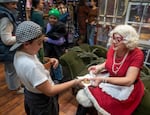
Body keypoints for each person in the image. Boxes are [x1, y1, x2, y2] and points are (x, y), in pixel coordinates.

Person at [10, 21, 85, 115]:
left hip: (30, 95)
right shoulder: (31, 66)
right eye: (39, 43)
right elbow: (50, 91)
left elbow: (35, 71)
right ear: (26, 44)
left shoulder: (20, 54)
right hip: (42, 102)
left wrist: (49, 60)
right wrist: (75, 82)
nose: (41, 46)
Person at [76, 25, 145, 115]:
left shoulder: (137, 54)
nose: (114, 42)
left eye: (118, 39)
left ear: (128, 41)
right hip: (111, 78)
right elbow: (110, 62)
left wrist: (103, 80)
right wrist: (99, 67)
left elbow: (129, 80)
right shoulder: (113, 48)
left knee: (104, 105)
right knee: (85, 94)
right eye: (113, 38)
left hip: (126, 87)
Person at [0, 0, 23, 93]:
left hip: (4, 49)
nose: (15, 6)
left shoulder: (3, 15)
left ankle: (13, 86)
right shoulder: (6, 18)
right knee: (12, 69)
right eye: (13, 4)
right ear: (6, 4)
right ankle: (16, 88)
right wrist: (21, 37)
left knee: (9, 69)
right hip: (7, 49)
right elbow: (7, 40)